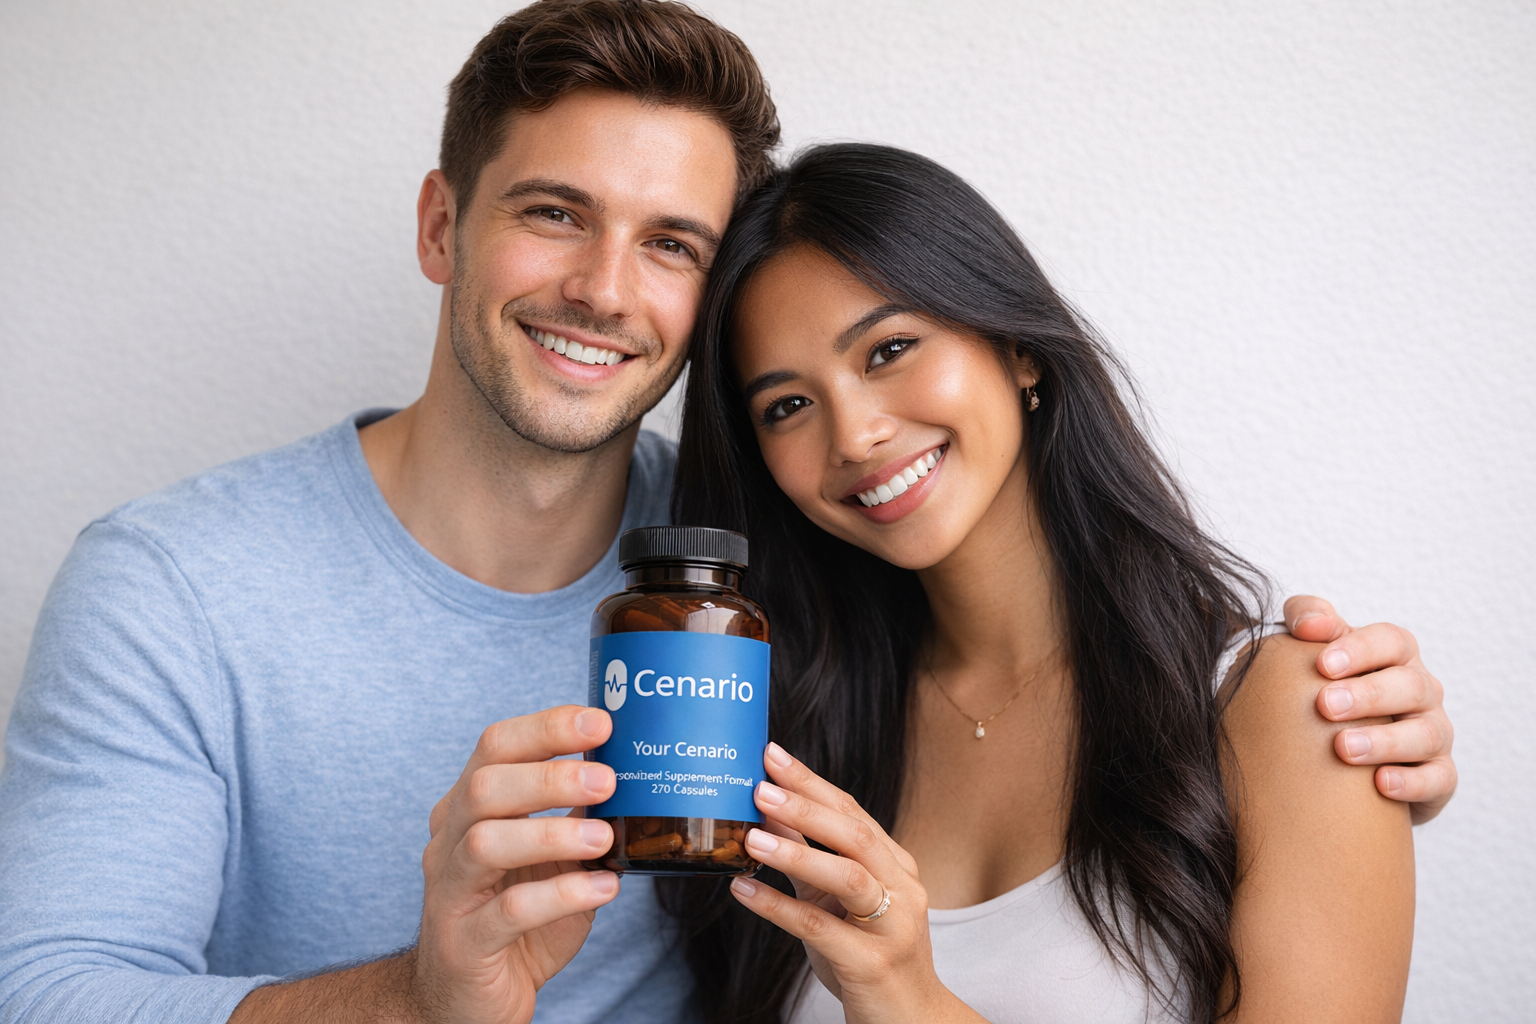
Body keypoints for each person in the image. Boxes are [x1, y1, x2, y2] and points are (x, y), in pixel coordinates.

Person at [0, 4, 1452, 1024]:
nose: (606, 289)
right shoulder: (175, 584)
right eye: (554, 212)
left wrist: (1333, 763)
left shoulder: (786, 601)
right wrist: (420, 1000)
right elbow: (45, 992)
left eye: (672, 243)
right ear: (444, 225)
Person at [664, 143, 1429, 1023]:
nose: (855, 434)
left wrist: (907, 997)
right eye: (787, 405)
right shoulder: (785, 732)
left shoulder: (1296, 707)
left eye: (890, 349)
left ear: (1019, 348)